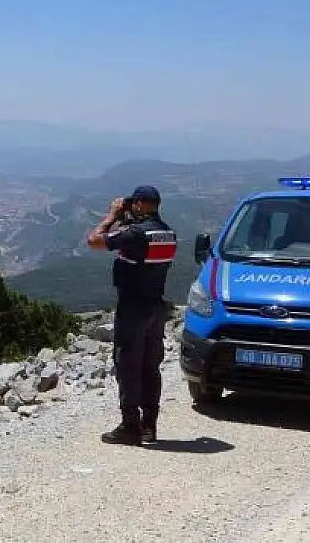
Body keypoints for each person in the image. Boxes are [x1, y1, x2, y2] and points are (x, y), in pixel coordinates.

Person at [86, 185, 176, 445]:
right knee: (151, 368)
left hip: (133, 309)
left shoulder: (136, 233)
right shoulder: (167, 233)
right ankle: (149, 426)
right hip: (156, 307)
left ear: (138, 204)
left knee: (127, 367)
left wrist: (112, 215)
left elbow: (94, 241)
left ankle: (130, 426)